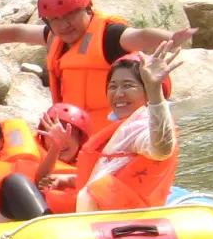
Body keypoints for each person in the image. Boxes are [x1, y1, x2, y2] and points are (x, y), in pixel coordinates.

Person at [0, 0, 193, 135]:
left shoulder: (109, 35)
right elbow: (15, 32)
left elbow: (140, 36)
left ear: (87, 10)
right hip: (77, 134)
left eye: (70, 16)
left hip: (118, 134)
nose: (63, 25)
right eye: (55, 20)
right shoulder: (55, 36)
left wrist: (170, 38)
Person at [42, 39, 185, 213]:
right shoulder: (125, 126)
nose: (118, 94)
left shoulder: (143, 125)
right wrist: (71, 180)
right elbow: (114, 169)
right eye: (113, 86)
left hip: (124, 222)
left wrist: (155, 91)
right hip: (113, 216)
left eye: (128, 86)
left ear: (148, 91)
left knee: (18, 189)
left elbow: (161, 149)